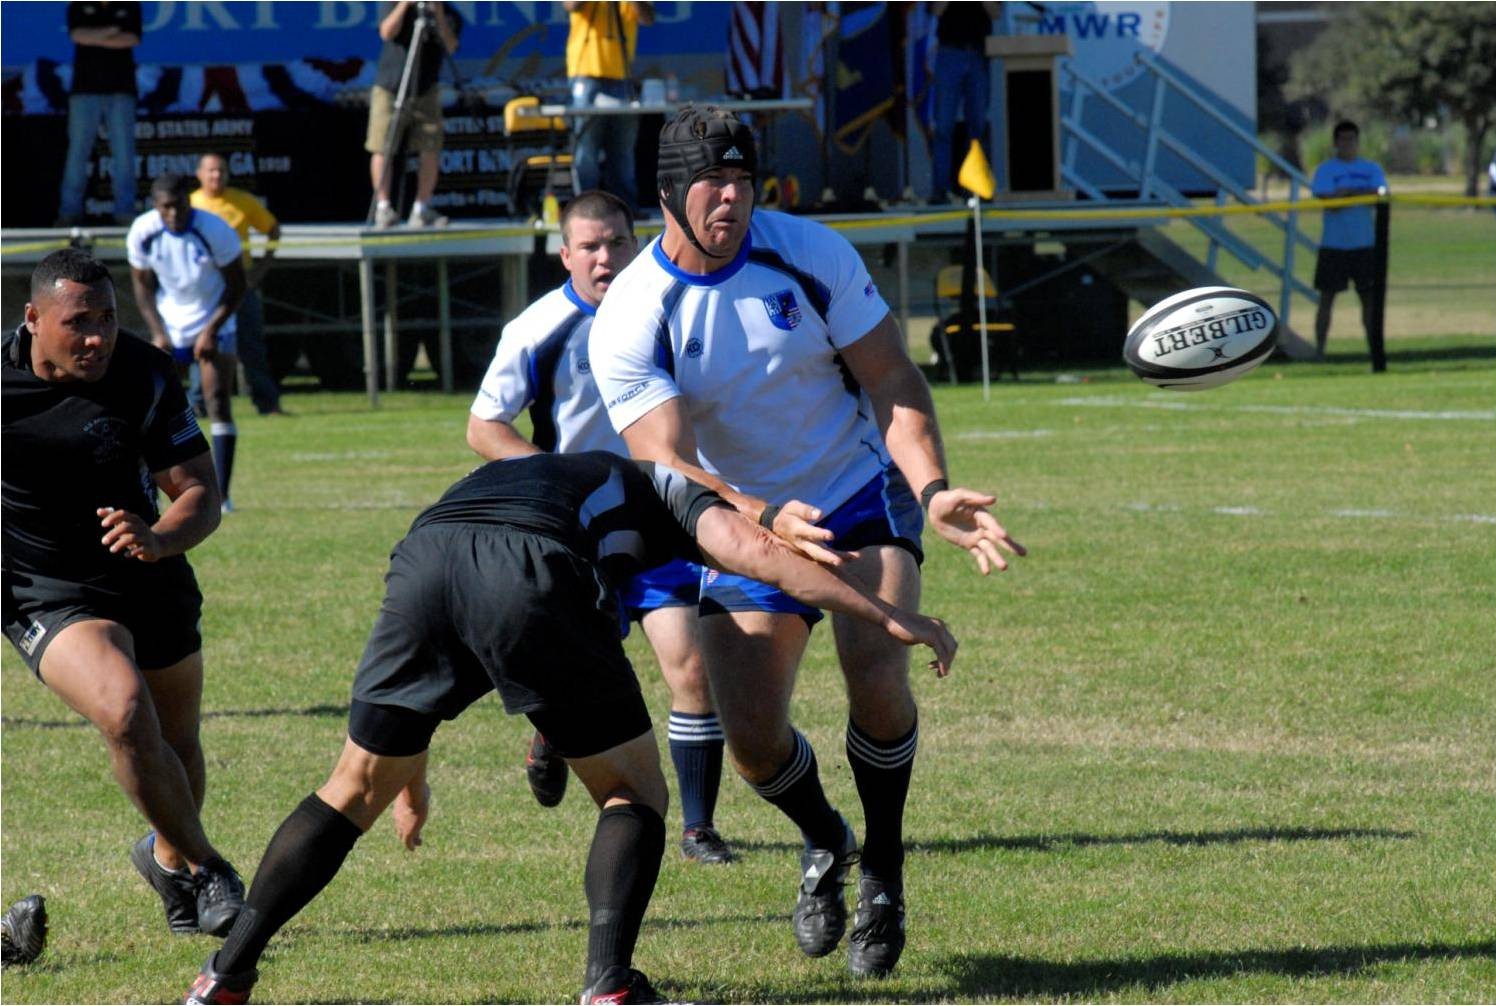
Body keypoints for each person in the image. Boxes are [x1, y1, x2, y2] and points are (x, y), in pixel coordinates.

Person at [180, 450, 957, 1005]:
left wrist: (405, 777)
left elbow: (463, 582)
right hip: (524, 561)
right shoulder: (668, 489)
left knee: (352, 788)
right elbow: (757, 554)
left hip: (422, 553)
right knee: (632, 792)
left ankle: (225, 974)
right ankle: (609, 985)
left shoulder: (560, 473)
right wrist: (891, 614)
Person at [590, 105, 1024, 978]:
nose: (731, 200)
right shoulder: (634, 313)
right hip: (740, 530)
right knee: (751, 738)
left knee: (879, 672)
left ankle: (886, 875)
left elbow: (891, 378)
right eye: (713, 183)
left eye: (744, 182)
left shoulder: (812, 253)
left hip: (858, 496)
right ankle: (827, 840)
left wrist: (933, 489)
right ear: (669, 192)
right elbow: (668, 465)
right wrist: (758, 515)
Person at [468, 189, 735, 863]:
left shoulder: (669, 308)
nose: (606, 257)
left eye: (617, 241)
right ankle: (549, 735)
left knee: (692, 666)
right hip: (580, 532)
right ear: (565, 255)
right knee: (581, 676)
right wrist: (555, 481)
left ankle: (699, 828)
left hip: (659, 513)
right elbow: (483, 427)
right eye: (590, 246)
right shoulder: (538, 328)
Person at [2, 249, 246, 939]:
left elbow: (200, 490)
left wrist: (162, 539)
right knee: (125, 710)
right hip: (46, 590)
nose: (96, 337)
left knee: (177, 741)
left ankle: (168, 863)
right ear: (33, 319)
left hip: (149, 569)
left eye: (107, 319)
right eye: (78, 322)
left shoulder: (143, 371)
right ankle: (209, 868)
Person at [128, 173, 248, 513]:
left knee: (217, 399)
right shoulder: (143, 231)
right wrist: (158, 332)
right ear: (155, 206)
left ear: (189, 201)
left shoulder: (215, 230)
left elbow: (237, 286)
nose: (173, 213)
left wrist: (211, 329)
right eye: (165, 207)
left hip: (213, 320)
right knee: (154, 406)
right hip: (171, 324)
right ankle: (148, 489)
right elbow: (142, 286)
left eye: (179, 205)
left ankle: (221, 495)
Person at [191, 153, 286, 417]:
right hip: (207, 288)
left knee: (251, 345)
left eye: (221, 170)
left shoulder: (242, 201)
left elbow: (273, 230)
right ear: (199, 174)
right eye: (210, 171)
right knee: (202, 347)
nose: (216, 176)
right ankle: (197, 407)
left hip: (240, 285)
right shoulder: (191, 205)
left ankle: (268, 404)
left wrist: (260, 269)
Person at [368, 0, 462, 229]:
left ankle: (421, 208)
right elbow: (387, 32)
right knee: (383, 146)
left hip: (426, 88)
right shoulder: (393, 4)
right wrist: (404, 5)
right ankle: (383, 207)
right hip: (391, 86)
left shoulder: (447, 12)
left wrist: (437, 13)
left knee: (430, 147)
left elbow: (451, 46)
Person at [1310, 120, 1388, 370]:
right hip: (1333, 246)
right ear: (1335, 143)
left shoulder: (1371, 168)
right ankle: (1320, 352)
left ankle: (1373, 352)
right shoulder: (1326, 170)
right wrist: (1355, 194)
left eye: (1352, 139)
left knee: (1369, 301)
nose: (1348, 144)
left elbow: (1379, 195)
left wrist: (1346, 193)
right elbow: (1329, 199)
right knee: (1326, 299)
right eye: (1343, 139)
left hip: (1364, 246)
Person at [563, 1, 655, 212]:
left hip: (621, 77)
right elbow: (571, 5)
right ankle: (584, 211)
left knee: (622, 150)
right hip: (586, 75)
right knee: (586, 147)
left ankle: (626, 210)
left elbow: (647, 17)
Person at [56, 1, 141, 226]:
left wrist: (95, 36)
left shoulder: (130, 5)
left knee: (124, 154)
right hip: (84, 91)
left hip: (121, 91)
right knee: (78, 153)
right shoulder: (79, 5)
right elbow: (78, 35)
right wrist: (112, 32)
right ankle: (69, 212)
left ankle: (125, 213)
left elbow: (131, 39)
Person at [928, 1, 998, 205]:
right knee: (943, 125)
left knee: (977, 125)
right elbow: (935, 9)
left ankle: (976, 187)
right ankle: (940, 190)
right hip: (949, 52)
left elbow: (996, 12)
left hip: (978, 52)